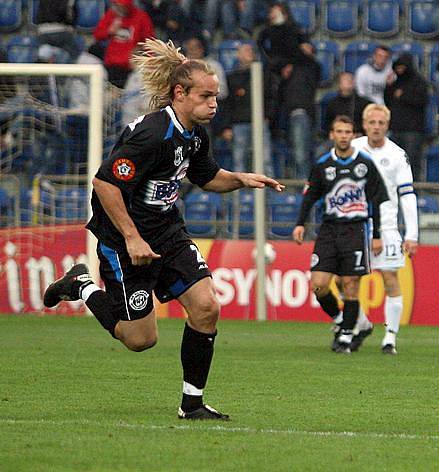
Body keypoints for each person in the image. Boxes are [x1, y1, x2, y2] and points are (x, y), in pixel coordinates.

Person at [42, 38, 285, 420]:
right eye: (206, 96)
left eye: (216, 96)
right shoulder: (152, 134)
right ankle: (82, 285)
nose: (214, 103)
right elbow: (105, 183)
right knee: (140, 339)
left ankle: (192, 403)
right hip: (125, 241)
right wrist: (132, 237)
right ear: (180, 93)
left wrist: (242, 178)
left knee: (206, 307)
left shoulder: (195, 135)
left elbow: (208, 177)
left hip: (168, 232)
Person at [292, 115, 389, 354]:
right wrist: (300, 224)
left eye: (348, 131)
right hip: (329, 229)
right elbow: (310, 196)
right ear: (332, 135)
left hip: (356, 229)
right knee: (319, 285)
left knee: (350, 284)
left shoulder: (365, 164)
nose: (344, 136)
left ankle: (346, 336)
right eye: (339, 131)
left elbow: (377, 201)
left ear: (353, 135)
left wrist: (377, 234)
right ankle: (342, 321)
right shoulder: (323, 165)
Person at [350, 104, 419, 354]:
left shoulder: (397, 155)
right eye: (372, 122)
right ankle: (361, 322)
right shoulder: (353, 148)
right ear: (365, 124)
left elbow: (407, 195)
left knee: (390, 278)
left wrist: (412, 234)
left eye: (381, 123)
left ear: (387, 125)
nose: (376, 127)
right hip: (354, 225)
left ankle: (390, 336)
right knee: (346, 280)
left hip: (387, 227)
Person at [258, 2, 320, 179]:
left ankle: (304, 186)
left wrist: (301, 53)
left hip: (299, 108)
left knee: (301, 153)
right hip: (284, 109)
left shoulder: (307, 66)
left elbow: (313, 65)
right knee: (296, 153)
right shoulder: (277, 67)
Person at [218, 43, 275, 175]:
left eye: (251, 50)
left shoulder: (264, 75)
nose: (249, 52)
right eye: (245, 50)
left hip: (260, 122)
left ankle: (269, 192)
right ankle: (239, 194)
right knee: (239, 160)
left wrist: (268, 116)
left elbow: (272, 97)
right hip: (239, 122)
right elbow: (227, 104)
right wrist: (225, 126)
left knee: (265, 159)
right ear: (238, 55)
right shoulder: (232, 78)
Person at [384, 53, 429, 182]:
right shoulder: (395, 83)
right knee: (393, 162)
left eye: (402, 68)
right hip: (396, 129)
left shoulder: (419, 82)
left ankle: (414, 189)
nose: (399, 70)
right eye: (397, 68)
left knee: (412, 162)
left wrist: (403, 96)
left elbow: (421, 101)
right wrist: (388, 87)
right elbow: (388, 102)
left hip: (413, 131)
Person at [93, 0, 155, 88]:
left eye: (121, 6)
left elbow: (150, 43)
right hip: (111, 64)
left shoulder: (141, 17)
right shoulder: (111, 15)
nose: (118, 8)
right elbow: (97, 35)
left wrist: (149, 62)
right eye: (116, 5)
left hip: (129, 68)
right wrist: (109, 31)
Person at [323, 72, 372, 137]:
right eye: (345, 80)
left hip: (358, 137)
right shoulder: (332, 104)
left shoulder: (364, 103)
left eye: (351, 80)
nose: (348, 82)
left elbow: (367, 124)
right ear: (339, 84)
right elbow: (327, 125)